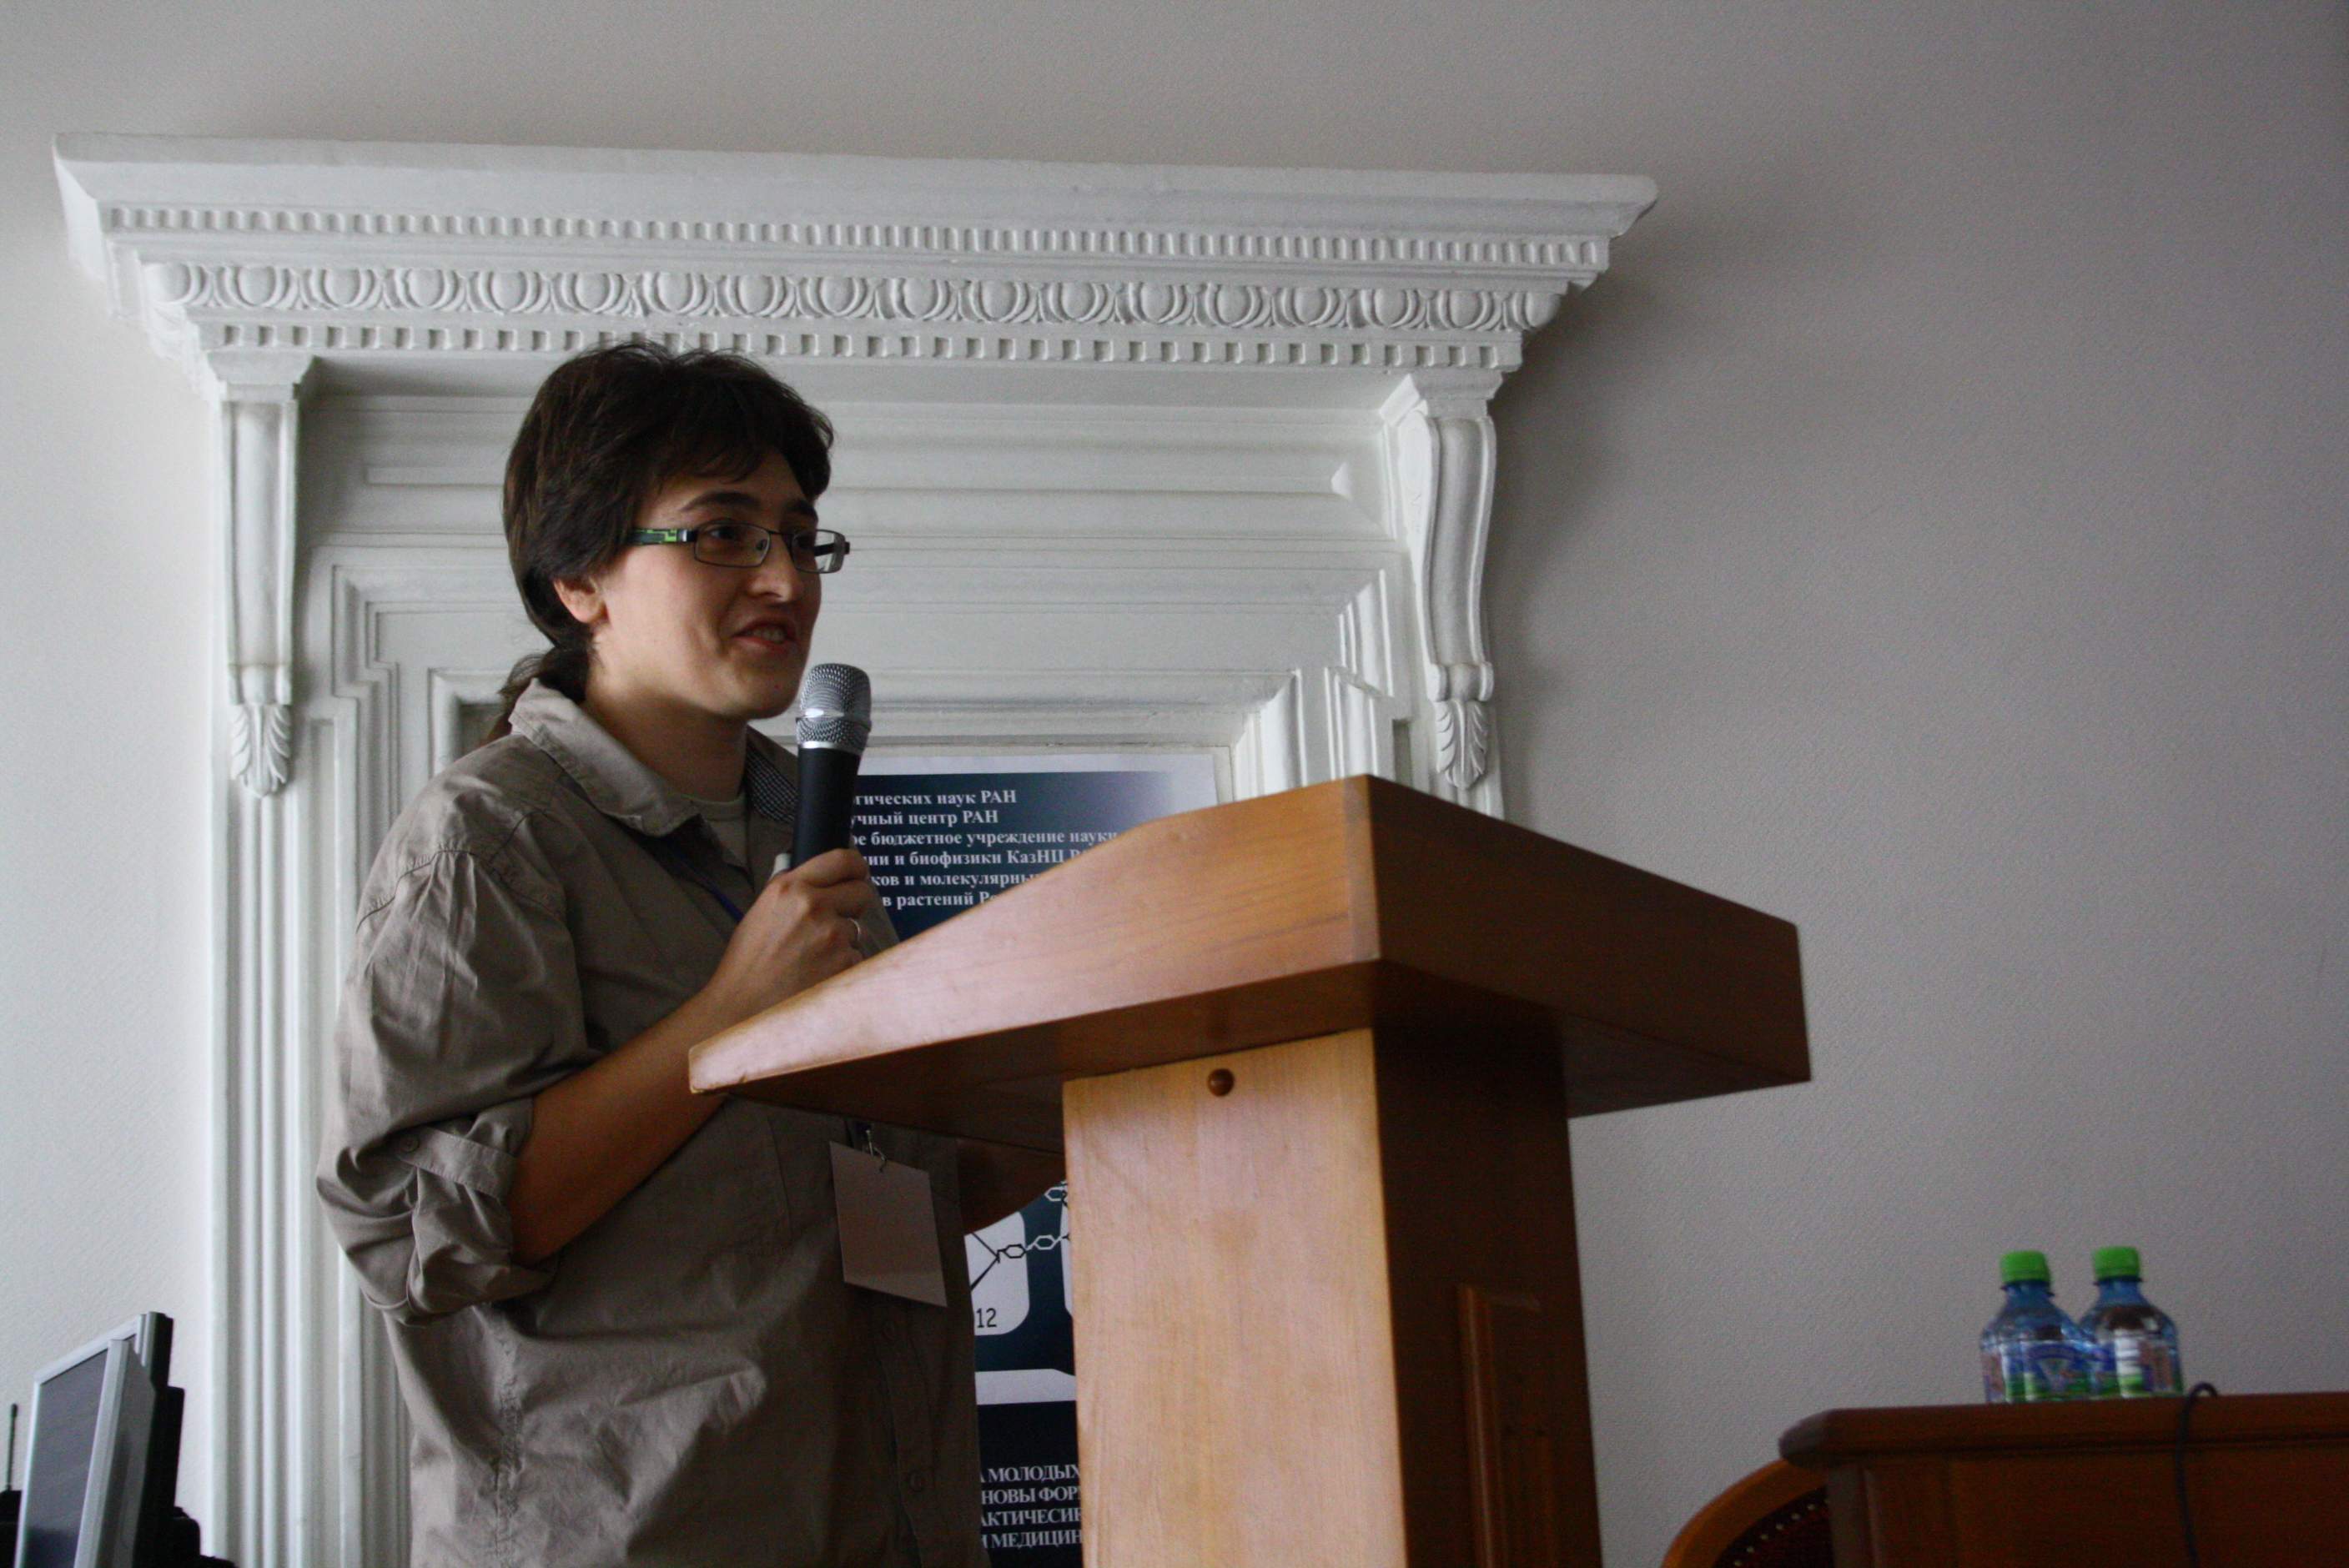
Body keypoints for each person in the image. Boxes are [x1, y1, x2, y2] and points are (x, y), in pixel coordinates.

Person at [318, 342, 1030, 1567]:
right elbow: (409, 1235)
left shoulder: (801, 836)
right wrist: (727, 1017)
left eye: (800, 537)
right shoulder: (491, 839)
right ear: (579, 578)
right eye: (723, 534)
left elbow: (866, 1211)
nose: (785, 577)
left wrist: (1073, 1104)